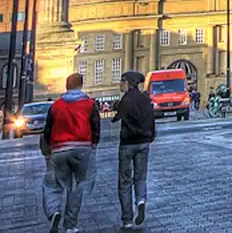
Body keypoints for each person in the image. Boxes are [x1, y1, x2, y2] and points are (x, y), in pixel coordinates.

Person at [40, 72, 101, 233]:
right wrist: (93, 144)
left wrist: (47, 152)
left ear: (67, 86)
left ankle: (54, 211)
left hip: (59, 149)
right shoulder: (89, 104)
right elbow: (96, 125)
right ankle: (71, 225)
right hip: (83, 147)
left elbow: (47, 130)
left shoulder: (56, 105)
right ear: (81, 85)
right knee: (79, 185)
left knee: (52, 184)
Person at [113, 71, 154, 230]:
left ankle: (127, 219)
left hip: (127, 143)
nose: (120, 84)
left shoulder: (126, 100)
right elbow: (151, 119)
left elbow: (118, 117)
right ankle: (141, 201)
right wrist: (151, 136)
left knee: (124, 181)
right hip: (144, 142)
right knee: (141, 177)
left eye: (122, 81)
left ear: (129, 83)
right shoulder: (145, 98)